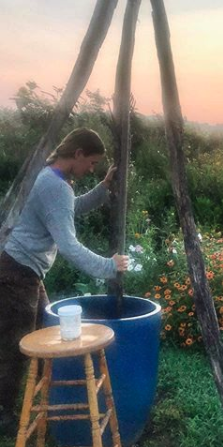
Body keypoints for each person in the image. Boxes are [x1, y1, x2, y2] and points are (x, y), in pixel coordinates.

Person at [0, 128, 129, 433]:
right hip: (16, 271)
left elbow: (66, 210)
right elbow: (69, 245)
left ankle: (42, 399)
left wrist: (102, 189)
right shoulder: (55, 185)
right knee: (13, 346)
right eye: (92, 163)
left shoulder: (51, 176)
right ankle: (3, 414)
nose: (92, 169)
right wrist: (109, 266)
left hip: (21, 269)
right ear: (78, 154)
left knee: (45, 332)